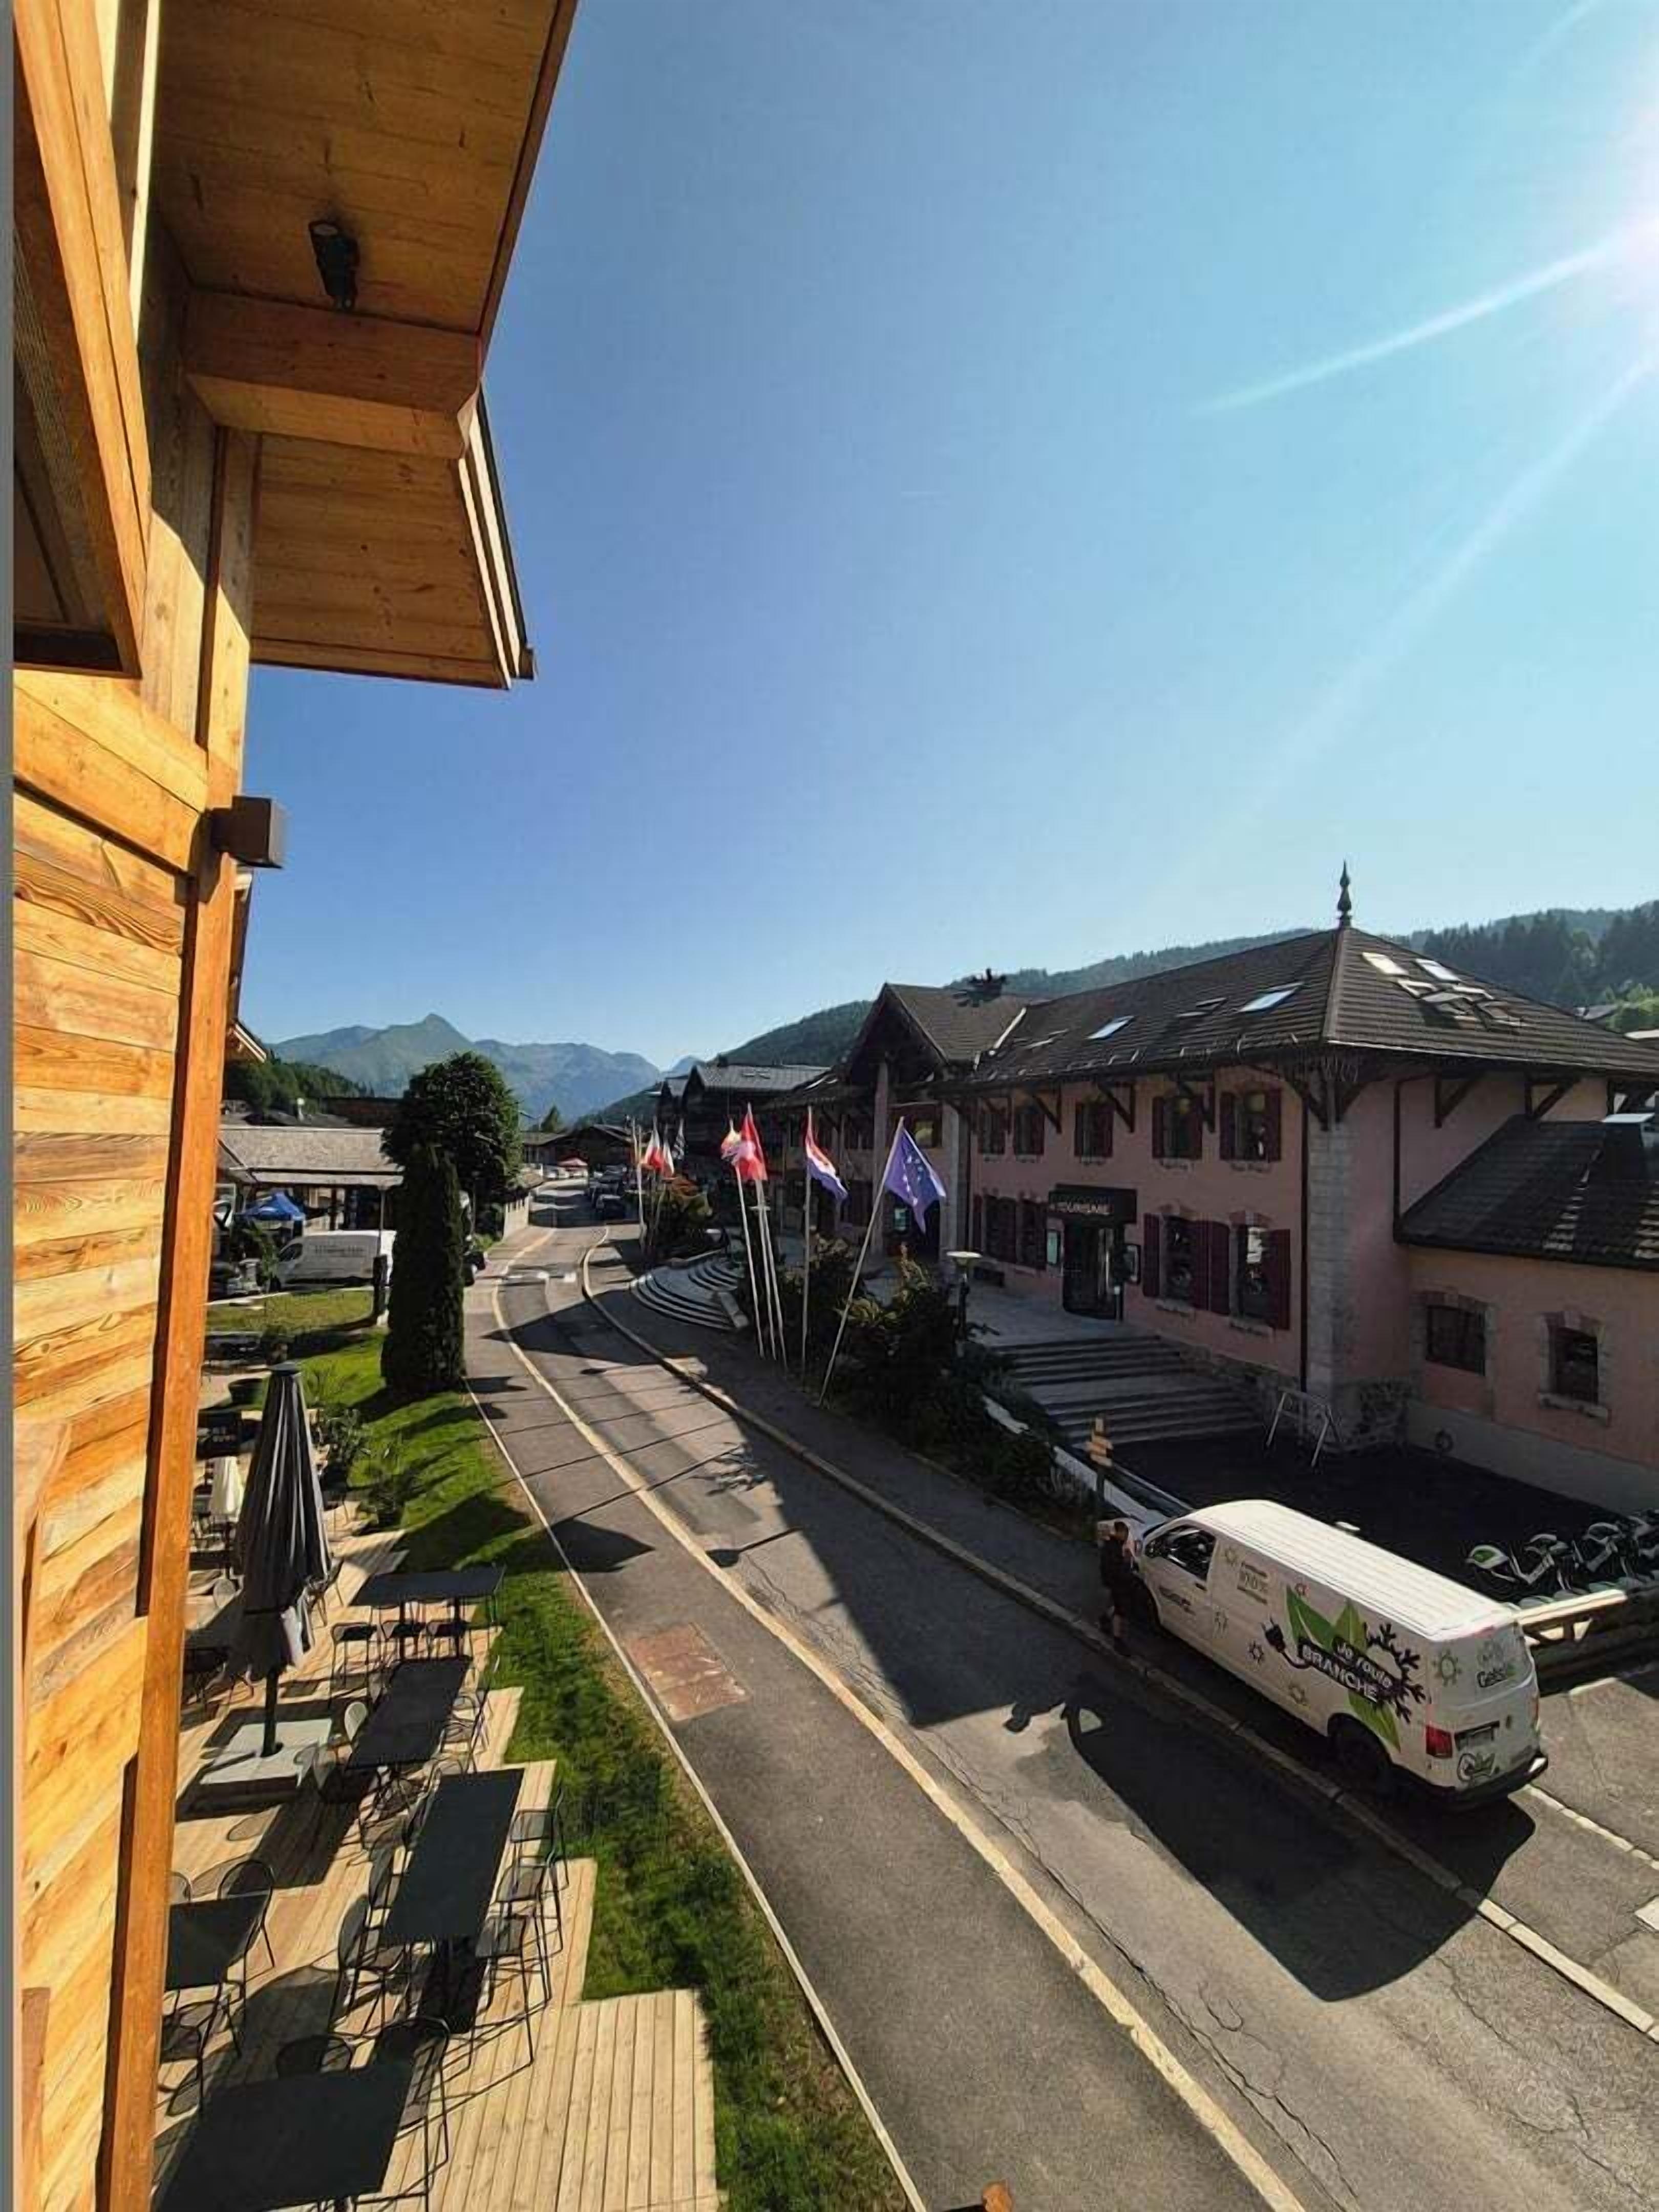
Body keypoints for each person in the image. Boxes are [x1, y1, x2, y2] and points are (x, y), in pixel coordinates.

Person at [1097, 1518, 1135, 1656]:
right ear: (1119, 1532)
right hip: (1117, 1583)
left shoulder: (1111, 1544)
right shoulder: (1116, 1549)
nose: (1126, 1535)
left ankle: (1105, 1619)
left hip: (1113, 1582)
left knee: (1116, 1605)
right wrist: (1127, 1563)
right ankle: (1118, 1640)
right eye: (1124, 1532)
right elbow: (1118, 1570)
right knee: (1120, 1610)